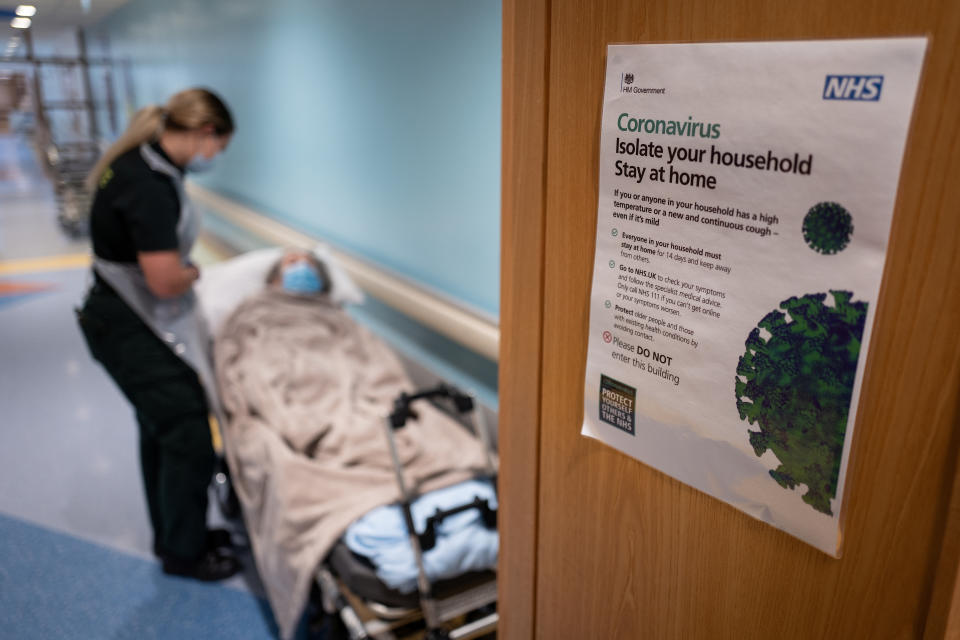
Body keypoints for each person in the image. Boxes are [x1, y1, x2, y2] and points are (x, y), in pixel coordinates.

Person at [76, 88, 239, 581]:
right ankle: (184, 554)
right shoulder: (146, 185)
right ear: (205, 133)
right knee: (188, 432)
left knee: (158, 429)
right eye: (219, 147)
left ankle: (173, 533)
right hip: (125, 323)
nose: (214, 157)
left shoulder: (140, 166)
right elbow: (165, 281)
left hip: (120, 314)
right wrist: (203, 273)